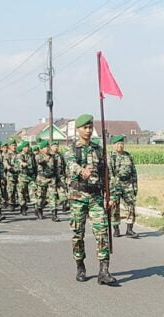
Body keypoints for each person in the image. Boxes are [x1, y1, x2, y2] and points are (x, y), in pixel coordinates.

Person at [65, 114, 116, 285]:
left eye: (90, 127)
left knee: (102, 231)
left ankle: (104, 271)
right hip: (78, 196)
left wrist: (111, 196)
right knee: (77, 233)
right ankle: (80, 265)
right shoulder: (71, 148)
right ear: (78, 129)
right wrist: (81, 171)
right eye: (84, 127)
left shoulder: (98, 149)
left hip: (95, 196)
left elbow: (107, 174)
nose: (87, 130)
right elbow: (71, 163)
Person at [108, 135, 139, 238]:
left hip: (128, 184)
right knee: (114, 207)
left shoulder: (128, 156)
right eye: (118, 144)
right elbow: (110, 174)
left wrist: (135, 186)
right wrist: (111, 189)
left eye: (122, 143)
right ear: (114, 145)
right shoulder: (111, 157)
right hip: (115, 184)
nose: (120, 146)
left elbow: (133, 172)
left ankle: (129, 229)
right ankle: (116, 229)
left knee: (130, 206)